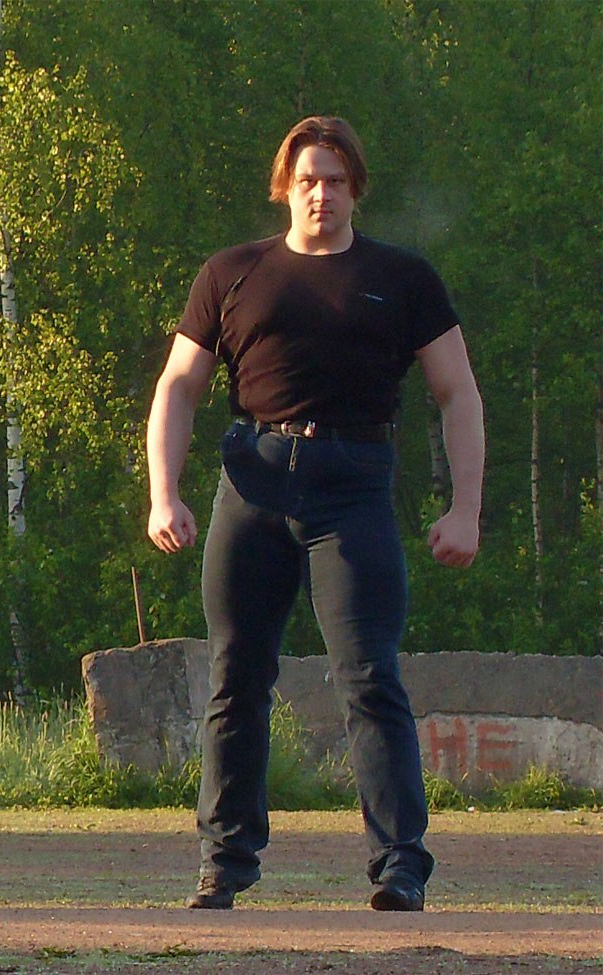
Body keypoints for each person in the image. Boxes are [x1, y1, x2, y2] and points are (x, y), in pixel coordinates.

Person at [145, 116, 484, 913]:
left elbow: (458, 392)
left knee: (369, 676)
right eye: (307, 180)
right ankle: (224, 861)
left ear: (355, 187)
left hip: (352, 488)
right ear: (284, 187)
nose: (321, 194)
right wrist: (164, 492)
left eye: (334, 180)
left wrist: (465, 508)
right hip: (254, 485)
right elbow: (178, 386)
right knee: (238, 675)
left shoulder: (403, 278)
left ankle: (400, 864)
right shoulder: (233, 273)